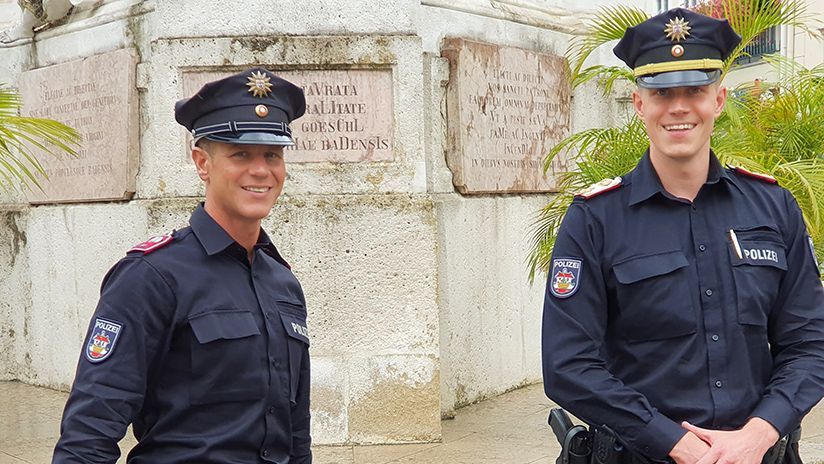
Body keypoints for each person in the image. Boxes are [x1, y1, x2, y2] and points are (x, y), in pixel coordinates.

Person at [542, 8, 824, 464]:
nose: (678, 107)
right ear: (639, 104)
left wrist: (758, 433)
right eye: (661, 92)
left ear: (719, 99)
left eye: (694, 90)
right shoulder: (595, 219)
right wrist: (672, 441)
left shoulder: (774, 207)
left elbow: (811, 343)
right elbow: (567, 366)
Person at [52, 68, 312, 463]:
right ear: (202, 163)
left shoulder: (282, 283)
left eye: (272, 155)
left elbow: (295, 432)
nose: (261, 171)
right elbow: (91, 427)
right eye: (240, 154)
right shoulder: (151, 277)